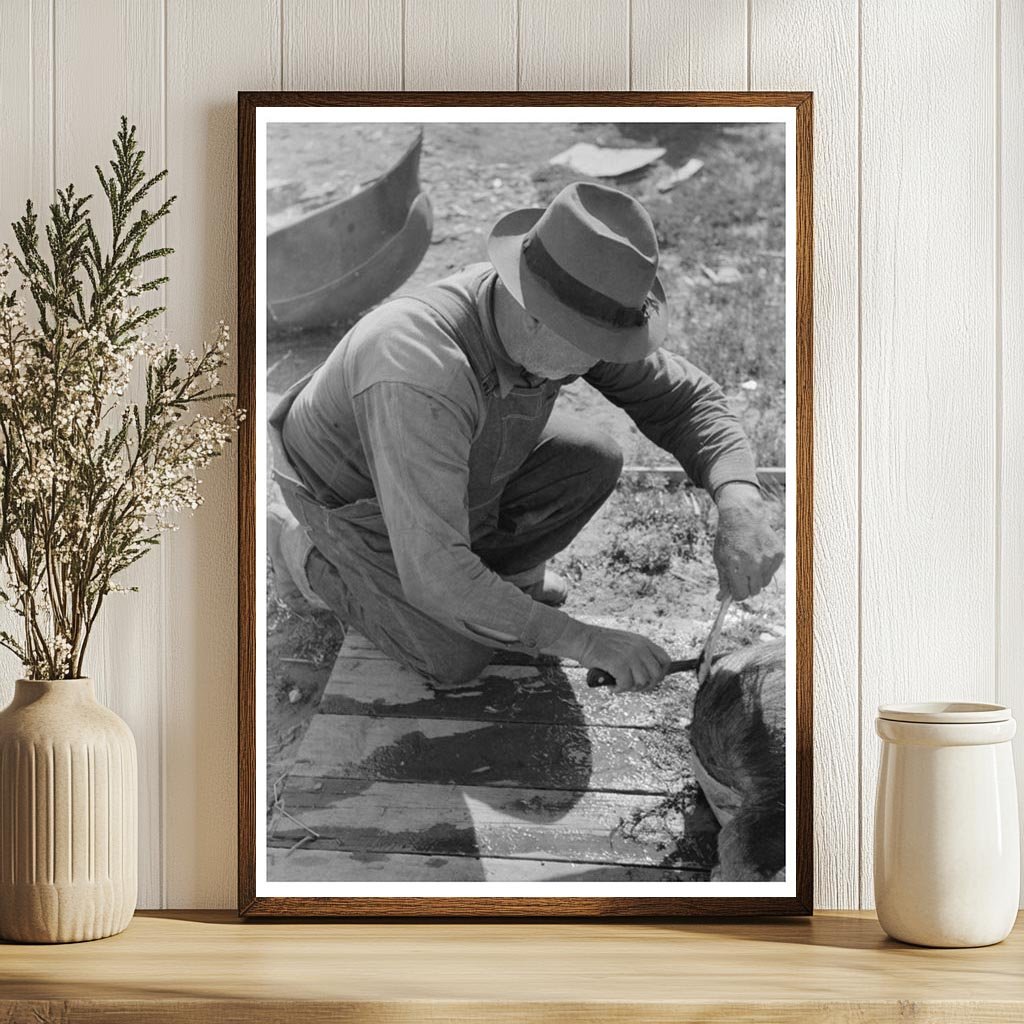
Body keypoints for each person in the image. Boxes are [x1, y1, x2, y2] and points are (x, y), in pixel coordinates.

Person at [268, 180, 784, 694]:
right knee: (454, 656)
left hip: (440, 459)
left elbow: (688, 400)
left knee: (590, 459)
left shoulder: (564, 306)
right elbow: (436, 575)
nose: (604, 359)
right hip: (352, 499)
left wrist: (739, 500)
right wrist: (585, 641)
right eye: (595, 345)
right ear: (536, 316)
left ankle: (497, 588)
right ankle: (301, 550)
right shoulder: (417, 368)